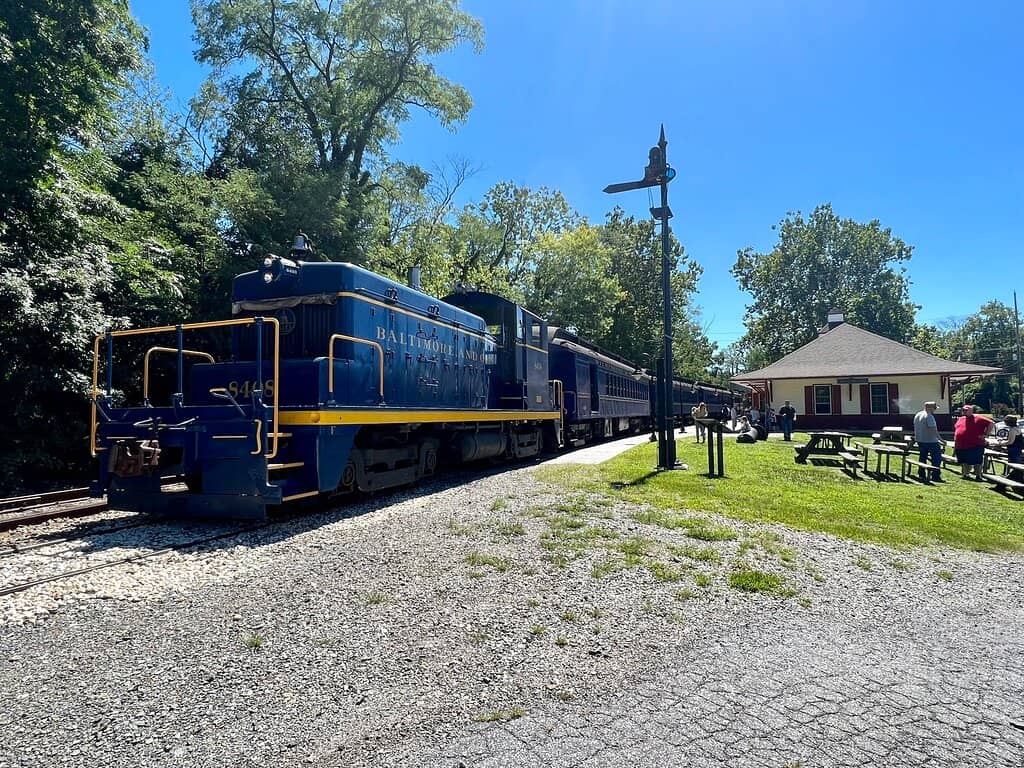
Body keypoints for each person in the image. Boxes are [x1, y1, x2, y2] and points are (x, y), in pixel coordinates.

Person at [953, 404, 994, 480]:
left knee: (977, 460)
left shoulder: (978, 417)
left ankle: (978, 476)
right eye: (963, 410)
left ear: (971, 411)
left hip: (975, 444)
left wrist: (986, 434)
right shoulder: (961, 418)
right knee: (964, 460)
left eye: (966, 410)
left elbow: (991, 423)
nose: (964, 411)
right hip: (961, 445)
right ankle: (965, 474)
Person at [912, 401, 944, 482]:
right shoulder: (929, 416)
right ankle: (935, 476)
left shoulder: (918, 414)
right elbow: (933, 429)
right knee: (936, 458)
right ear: (929, 408)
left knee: (922, 457)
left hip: (920, 440)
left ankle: (921, 474)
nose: (935, 410)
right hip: (931, 441)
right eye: (934, 408)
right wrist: (941, 440)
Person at [994, 414, 1023, 480]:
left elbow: (1010, 442)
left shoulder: (1013, 430)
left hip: (1014, 451)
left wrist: (999, 444)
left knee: (1017, 469)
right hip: (1015, 450)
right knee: (1016, 469)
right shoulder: (1016, 428)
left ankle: (1002, 485)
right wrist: (1003, 440)